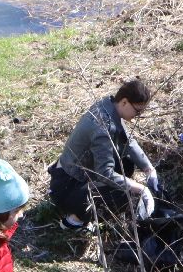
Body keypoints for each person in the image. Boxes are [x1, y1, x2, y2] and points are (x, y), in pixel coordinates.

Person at [49, 79, 160, 228]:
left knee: (126, 164)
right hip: (66, 186)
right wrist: (141, 189)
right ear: (125, 102)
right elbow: (105, 173)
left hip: (69, 173)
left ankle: (82, 204)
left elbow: (127, 140)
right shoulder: (104, 127)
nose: (138, 115)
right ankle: (75, 218)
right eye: (138, 111)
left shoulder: (107, 105)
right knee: (125, 195)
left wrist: (148, 168)